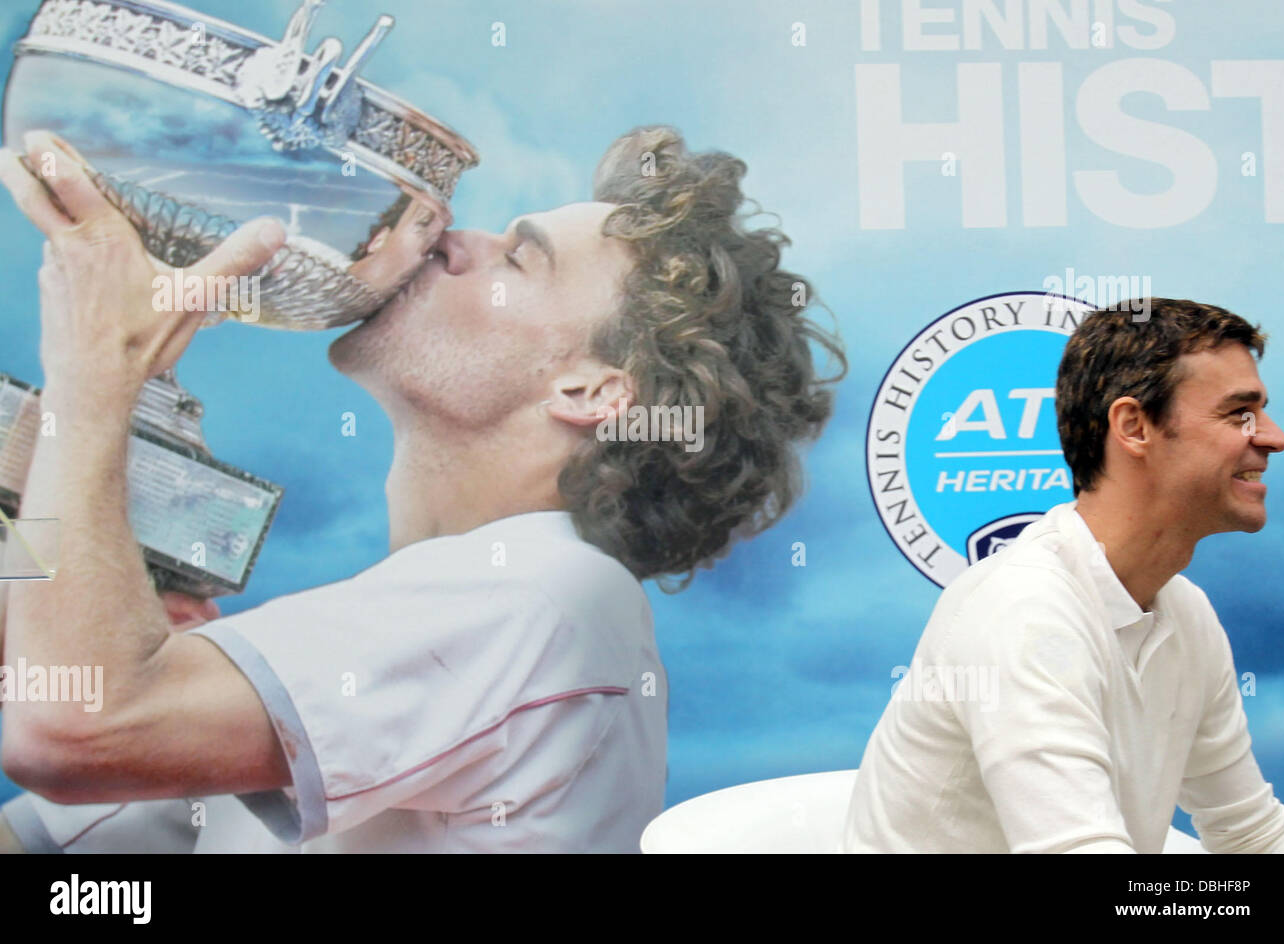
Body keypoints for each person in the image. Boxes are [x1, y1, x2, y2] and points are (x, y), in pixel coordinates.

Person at [0, 124, 845, 853]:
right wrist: (65, 557)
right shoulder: (379, 649)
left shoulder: (550, 597)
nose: (452, 240)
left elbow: (74, 729)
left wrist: (97, 368)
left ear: (591, 391)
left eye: (518, 257)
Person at [843, 298, 1284, 854]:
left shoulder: (1185, 612)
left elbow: (1254, 838)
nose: (1275, 437)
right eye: (1239, 414)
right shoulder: (1022, 606)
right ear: (1134, 427)